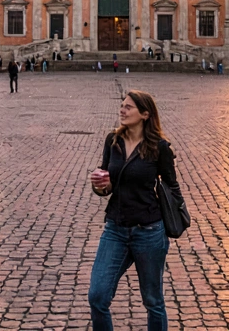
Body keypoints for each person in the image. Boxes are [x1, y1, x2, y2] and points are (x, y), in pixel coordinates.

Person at [88, 90, 179, 331]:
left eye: (128, 107)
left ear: (145, 114)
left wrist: (175, 219)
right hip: (115, 229)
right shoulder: (113, 141)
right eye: (122, 106)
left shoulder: (160, 147)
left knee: (153, 301)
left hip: (149, 231)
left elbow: (172, 186)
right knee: (97, 296)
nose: (122, 110)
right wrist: (101, 186)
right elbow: (106, 185)